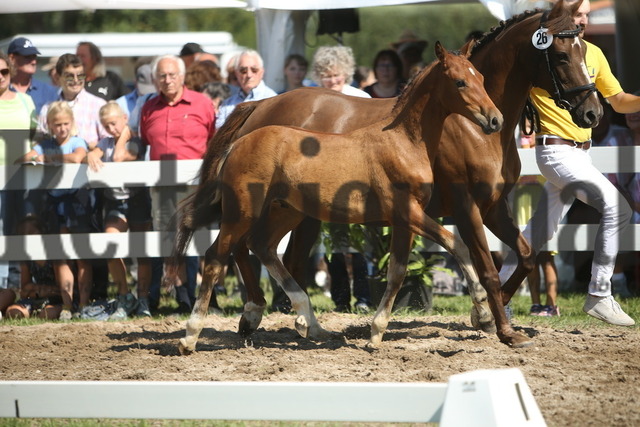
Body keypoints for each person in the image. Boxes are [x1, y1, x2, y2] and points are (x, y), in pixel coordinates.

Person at [499, 0, 640, 326]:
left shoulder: (593, 53)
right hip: (556, 151)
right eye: (578, 14)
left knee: (536, 233)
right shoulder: (544, 53)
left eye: (586, 15)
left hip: (581, 154)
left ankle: (497, 294)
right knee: (617, 208)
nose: (583, 20)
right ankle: (600, 293)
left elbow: (618, 102)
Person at [140, 54, 215, 314]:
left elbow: (214, 141)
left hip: (194, 185)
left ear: (182, 77)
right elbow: (144, 141)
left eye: (172, 75)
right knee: (166, 239)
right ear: (155, 79)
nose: (167, 80)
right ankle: (170, 299)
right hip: (161, 186)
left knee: (194, 238)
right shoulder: (149, 107)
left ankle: (196, 297)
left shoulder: (202, 104)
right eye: (162, 75)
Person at [19, 101, 94, 320]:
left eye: (65, 123)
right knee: (60, 257)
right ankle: (68, 306)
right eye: (57, 124)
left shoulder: (77, 141)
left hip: (77, 203)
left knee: (81, 256)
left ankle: (84, 304)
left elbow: (77, 157)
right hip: (54, 205)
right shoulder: (45, 144)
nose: (62, 128)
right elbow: (23, 158)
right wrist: (35, 157)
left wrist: (49, 159)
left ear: (72, 123)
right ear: (50, 125)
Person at [311, 45, 372, 312]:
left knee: (359, 242)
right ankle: (340, 300)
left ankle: (363, 297)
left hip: (357, 176)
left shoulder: (361, 97)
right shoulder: (313, 102)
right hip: (326, 176)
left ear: (345, 73)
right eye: (326, 75)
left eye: (335, 75)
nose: (332, 80)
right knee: (334, 241)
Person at [85, 101, 153, 319]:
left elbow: (118, 157)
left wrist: (123, 135)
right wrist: (91, 154)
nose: (111, 130)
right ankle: (125, 295)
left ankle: (143, 299)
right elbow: (95, 152)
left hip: (137, 200)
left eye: (114, 124)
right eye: (106, 126)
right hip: (115, 202)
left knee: (142, 252)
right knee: (110, 244)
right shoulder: (105, 142)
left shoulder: (136, 142)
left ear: (124, 118)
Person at [0, 50, 37, 299]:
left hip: (23, 178)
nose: (0, 76)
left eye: (3, 71)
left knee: (22, 230)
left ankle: (20, 289)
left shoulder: (25, 102)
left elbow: (36, 138)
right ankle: (4, 290)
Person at [514, 123, 560, 316]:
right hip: (523, 202)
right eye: (524, 126)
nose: (527, 131)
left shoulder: (544, 146)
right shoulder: (516, 144)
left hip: (542, 200)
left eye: (530, 126)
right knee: (528, 256)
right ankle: (535, 303)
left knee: (547, 257)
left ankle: (551, 304)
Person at [37, 54, 108, 150]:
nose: (75, 80)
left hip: (89, 163)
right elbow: (41, 143)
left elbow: (108, 142)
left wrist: (92, 150)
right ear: (58, 78)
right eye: (69, 76)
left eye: (80, 75)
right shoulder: (47, 108)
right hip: (57, 163)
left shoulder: (99, 105)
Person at [3, 216, 65, 320]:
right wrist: (39, 291)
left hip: (56, 300)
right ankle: (32, 312)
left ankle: (40, 313)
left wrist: (35, 289)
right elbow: (25, 288)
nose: (28, 238)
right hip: (36, 297)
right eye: (23, 235)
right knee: (13, 312)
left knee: (47, 314)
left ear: (42, 233)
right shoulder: (26, 258)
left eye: (31, 233)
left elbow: (61, 288)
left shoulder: (53, 256)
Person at [216, 50, 277, 129]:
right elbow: (219, 133)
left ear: (262, 72)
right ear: (236, 73)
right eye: (243, 70)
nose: (249, 75)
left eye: (254, 70)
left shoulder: (273, 99)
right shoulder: (227, 104)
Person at [7, 37, 58, 115]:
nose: (33, 62)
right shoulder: (3, 89)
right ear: (12, 58)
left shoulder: (49, 92)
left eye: (34, 57)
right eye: (27, 57)